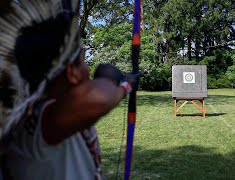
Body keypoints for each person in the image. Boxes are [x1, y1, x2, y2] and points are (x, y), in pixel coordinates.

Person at [0, 0, 139, 179]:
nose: (88, 68)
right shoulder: (41, 119)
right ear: (72, 73)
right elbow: (100, 98)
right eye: (83, 60)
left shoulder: (46, 112)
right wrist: (123, 85)